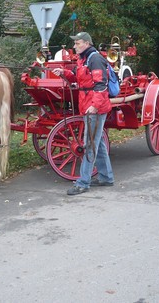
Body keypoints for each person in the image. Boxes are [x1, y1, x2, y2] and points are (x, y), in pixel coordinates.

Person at [52, 32, 114, 195]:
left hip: (95, 107)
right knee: (97, 142)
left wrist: (94, 106)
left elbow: (101, 85)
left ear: (86, 43)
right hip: (88, 104)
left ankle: (83, 182)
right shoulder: (83, 59)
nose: (74, 46)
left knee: (90, 144)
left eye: (77, 43)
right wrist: (64, 72)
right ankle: (106, 177)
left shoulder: (95, 59)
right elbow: (79, 80)